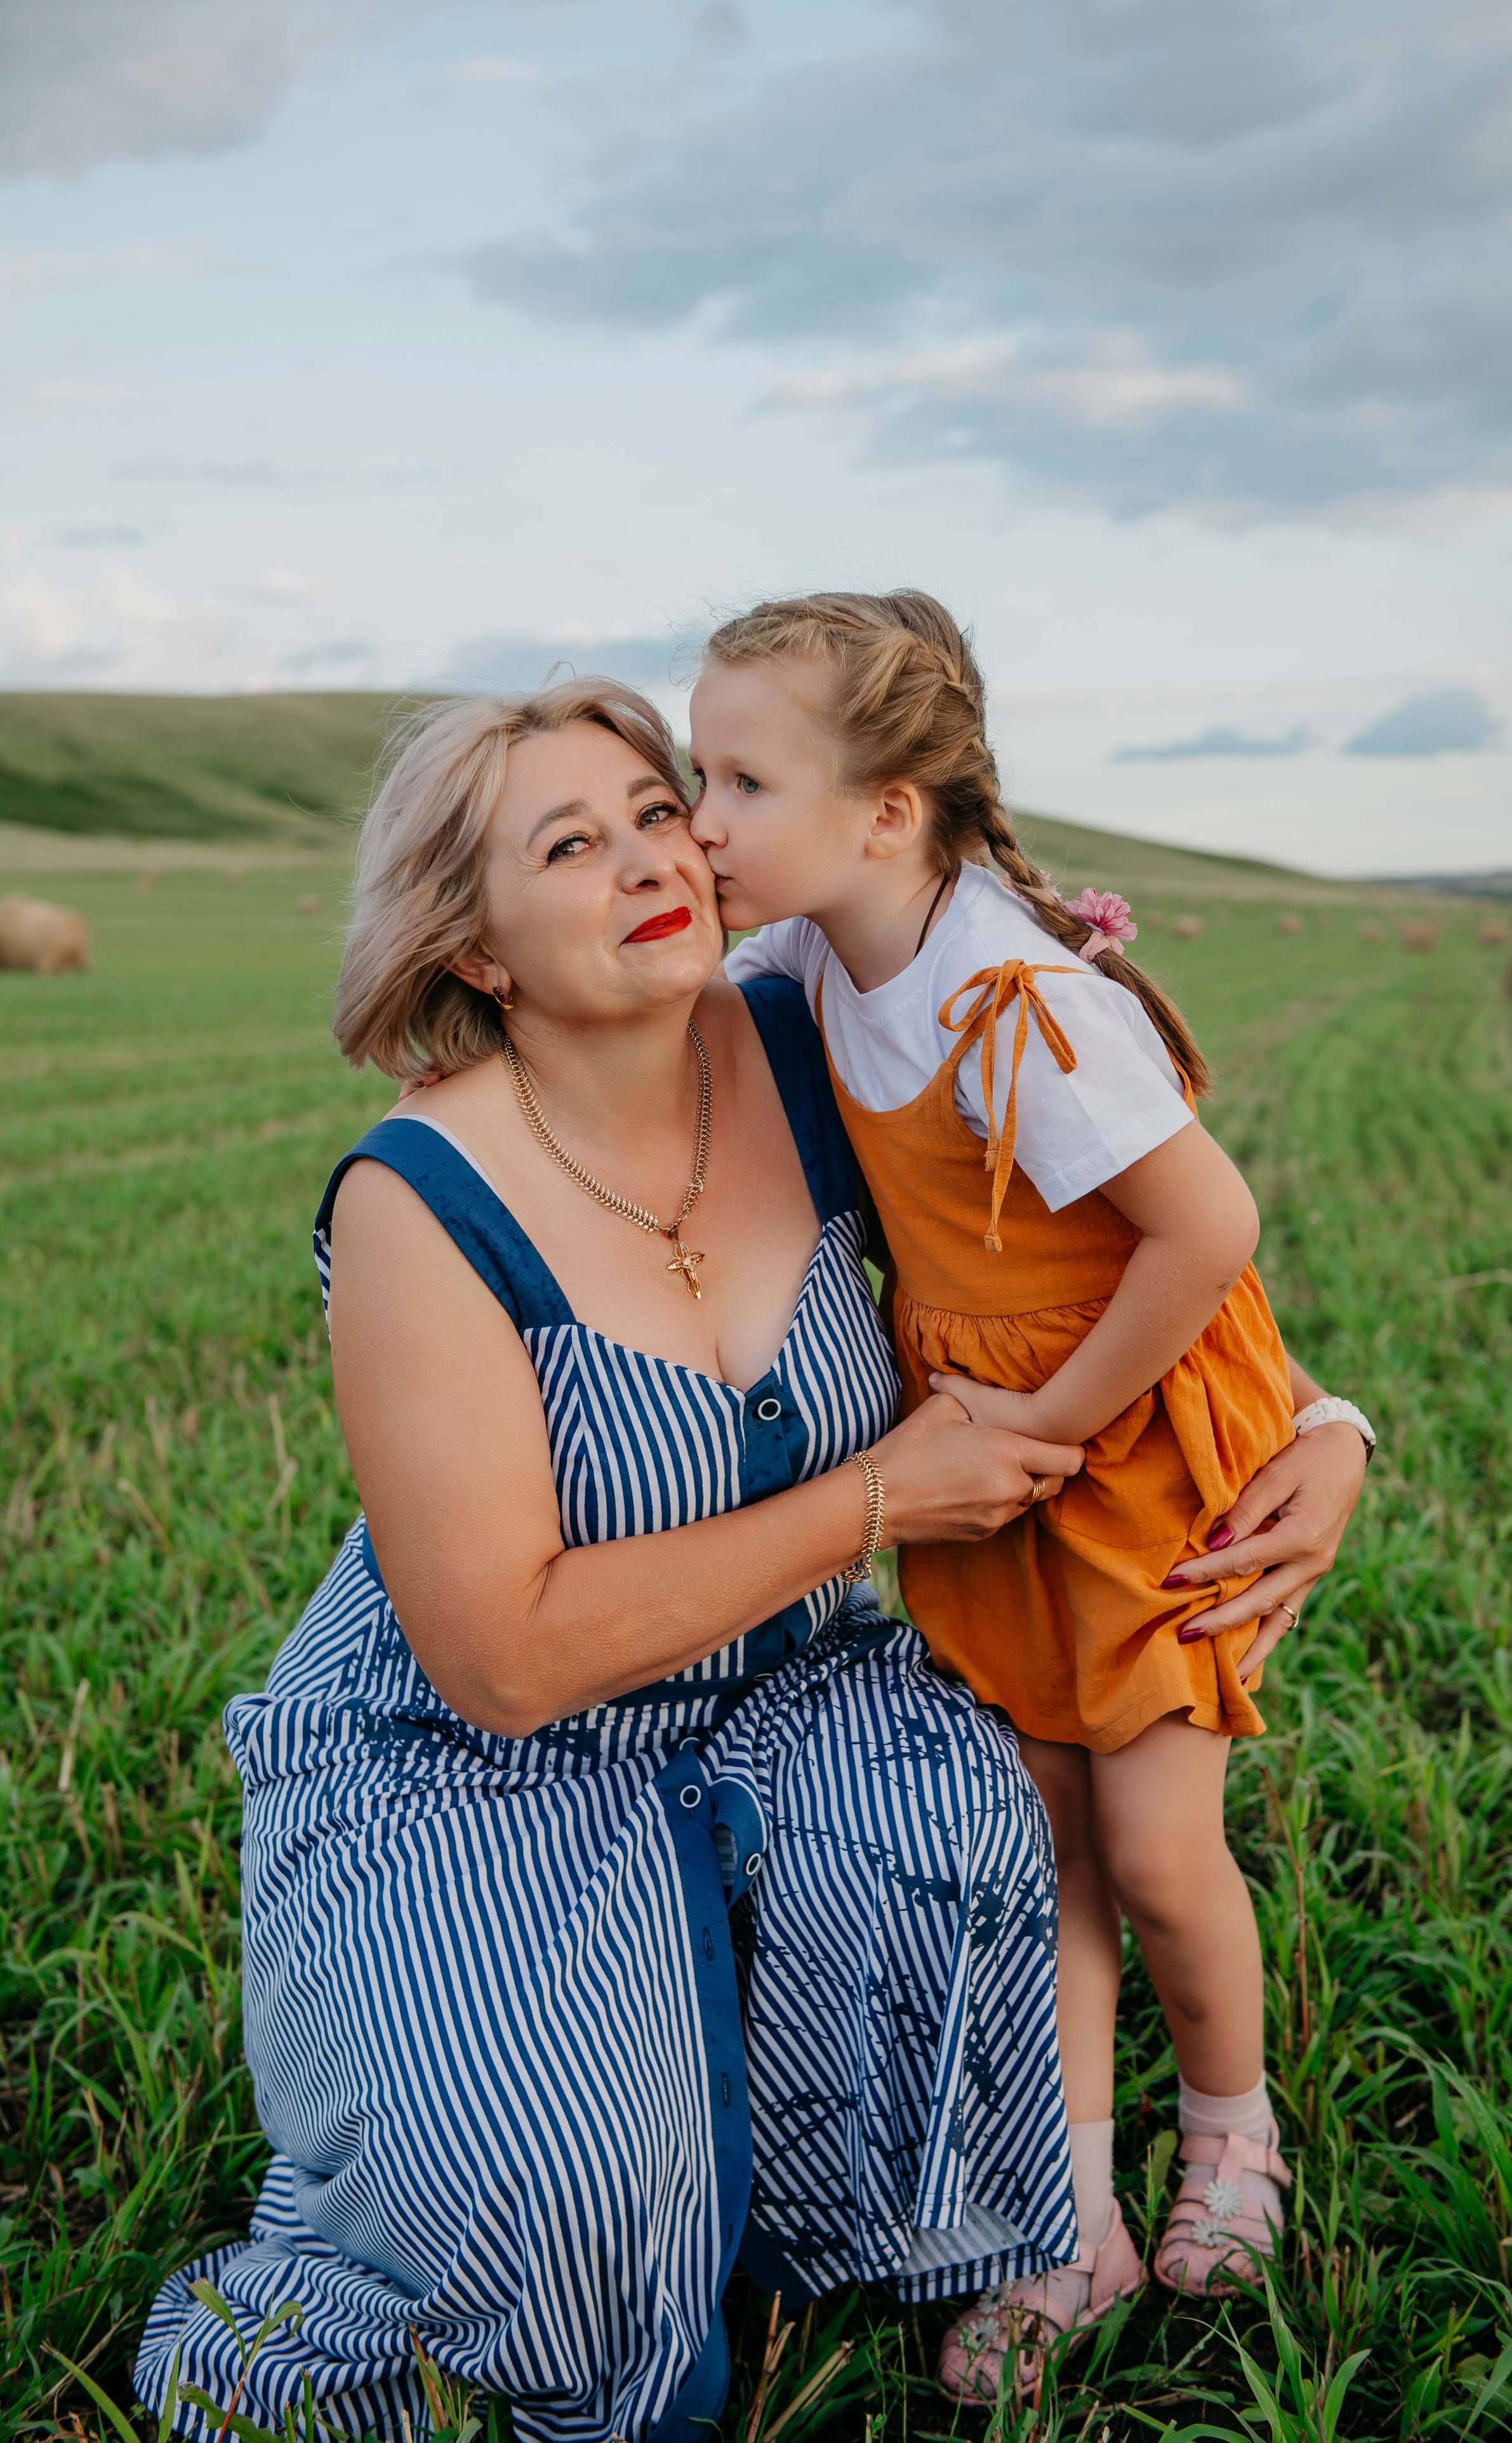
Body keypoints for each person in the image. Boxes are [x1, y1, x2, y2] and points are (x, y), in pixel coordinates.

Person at [133, 679, 1092, 2443]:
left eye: (661, 811)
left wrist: (1324, 1423)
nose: (653, 858)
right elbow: (504, 1655)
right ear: (477, 946)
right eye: (570, 845)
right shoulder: (417, 1199)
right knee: (550, 2222)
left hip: (790, 1689)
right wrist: (877, 1500)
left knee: (951, 1822)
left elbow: (1105, 1225)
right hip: (477, 1752)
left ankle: (783, 2208)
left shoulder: (816, 1044)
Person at [687, 591, 1374, 2394]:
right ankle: (1066, 2216)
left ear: (887, 810)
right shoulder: (827, 960)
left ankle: (1233, 2128)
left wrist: (1054, 1425)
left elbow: (1206, 1230)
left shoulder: (1021, 1000)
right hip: (997, 1450)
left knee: (1155, 1849)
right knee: (1047, 1853)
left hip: (1126, 1448)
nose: (701, 820)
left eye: (740, 779)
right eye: (698, 773)